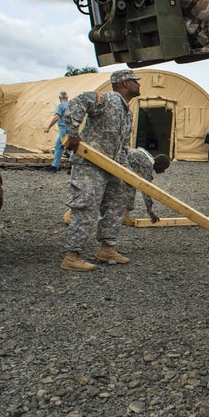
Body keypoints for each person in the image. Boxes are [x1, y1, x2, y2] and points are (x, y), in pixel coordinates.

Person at [59, 69, 140, 271]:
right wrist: (72, 132)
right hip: (90, 165)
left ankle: (106, 248)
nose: (139, 84)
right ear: (125, 84)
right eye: (135, 81)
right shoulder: (107, 99)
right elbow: (78, 102)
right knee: (86, 207)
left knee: (118, 201)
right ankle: (72, 256)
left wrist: (129, 172)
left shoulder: (127, 112)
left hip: (111, 166)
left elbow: (121, 148)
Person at [124, 147, 171, 224]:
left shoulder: (147, 156)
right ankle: (125, 217)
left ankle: (121, 215)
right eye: (163, 168)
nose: (163, 171)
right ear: (159, 165)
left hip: (120, 157)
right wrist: (150, 212)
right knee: (130, 186)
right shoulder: (147, 166)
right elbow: (146, 190)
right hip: (121, 162)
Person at [43, 91, 69, 172]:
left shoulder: (60, 106)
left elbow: (57, 117)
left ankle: (75, 168)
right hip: (70, 128)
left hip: (63, 129)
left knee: (69, 148)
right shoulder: (71, 105)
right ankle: (54, 166)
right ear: (67, 97)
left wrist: (48, 127)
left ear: (59, 98)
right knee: (58, 146)